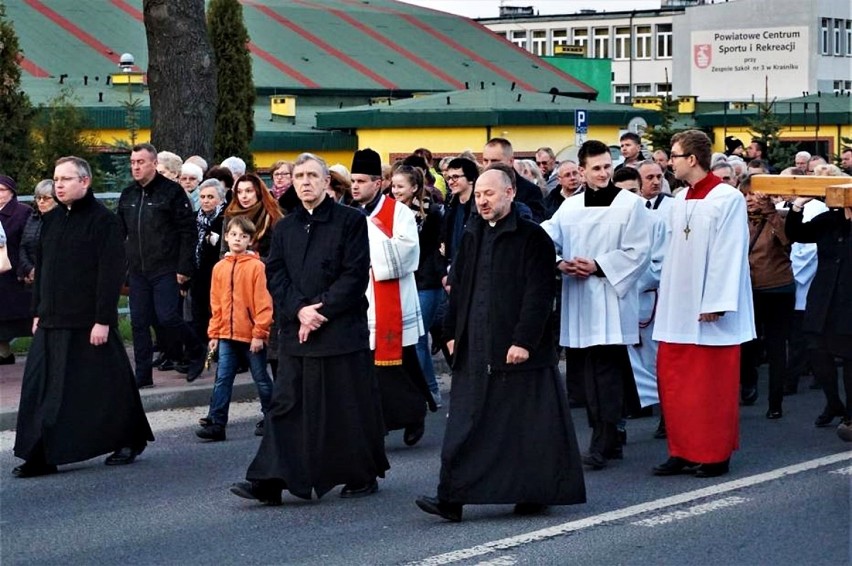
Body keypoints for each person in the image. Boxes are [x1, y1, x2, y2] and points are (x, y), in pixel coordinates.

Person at [415, 169, 586, 523]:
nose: (482, 201)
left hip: (517, 351)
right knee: (465, 425)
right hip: (474, 348)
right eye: (478, 195)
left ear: (509, 193)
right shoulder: (472, 233)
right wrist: (449, 331)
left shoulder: (532, 237)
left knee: (524, 427)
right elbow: (459, 288)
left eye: (489, 194)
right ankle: (452, 498)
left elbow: (539, 294)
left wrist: (523, 340)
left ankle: (533, 492)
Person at [230, 153, 388, 505]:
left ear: (326, 181)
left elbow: (354, 273)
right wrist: (300, 310)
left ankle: (360, 475)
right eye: (299, 175)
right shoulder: (285, 226)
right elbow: (277, 275)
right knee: (286, 406)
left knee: (345, 408)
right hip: (296, 333)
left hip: (340, 332)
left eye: (311, 175)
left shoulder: (350, 221)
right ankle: (269, 480)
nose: (304, 182)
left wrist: (320, 311)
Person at [13, 156, 153, 478]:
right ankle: (40, 453)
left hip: (88, 322)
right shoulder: (51, 221)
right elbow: (42, 270)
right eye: (56, 179)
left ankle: (130, 438)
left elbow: (109, 274)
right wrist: (36, 311)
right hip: (51, 320)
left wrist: (104, 320)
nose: (58, 185)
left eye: (66, 179)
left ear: (85, 182)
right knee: (40, 389)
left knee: (110, 387)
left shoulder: (103, 222)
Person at [541, 140, 653, 470]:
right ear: (582, 171)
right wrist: (560, 262)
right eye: (597, 168)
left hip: (612, 297)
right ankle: (607, 434)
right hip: (579, 299)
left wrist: (598, 265)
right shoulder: (570, 208)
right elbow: (546, 238)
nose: (604, 173)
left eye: (607, 167)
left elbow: (639, 251)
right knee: (586, 375)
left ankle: (604, 439)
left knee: (607, 373)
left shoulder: (631, 205)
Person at [652, 130, 755, 479]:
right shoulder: (679, 198)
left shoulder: (727, 198)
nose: (670, 161)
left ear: (692, 160)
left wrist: (717, 301)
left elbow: (730, 253)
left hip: (710, 312)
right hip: (677, 308)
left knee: (710, 388)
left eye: (675, 155)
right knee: (676, 381)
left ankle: (713, 453)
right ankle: (681, 449)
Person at [350, 148, 435, 446]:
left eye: (361, 180)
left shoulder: (397, 211)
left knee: (400, 366)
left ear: (378, 182)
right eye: (352, 180)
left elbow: (408, 251)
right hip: (361, 302)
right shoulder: (349, 214)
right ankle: (379, 422)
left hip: (392, 300)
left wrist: (365, 252)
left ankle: (414, 414)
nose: (355, 186)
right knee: (368, 369)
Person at [117, 143, 205, 387]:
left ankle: (197, 349)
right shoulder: (128, 195)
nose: (135, 167)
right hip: (137, 270)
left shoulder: (172, 192)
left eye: (140, 162)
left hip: (166, 267)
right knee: (139, 322)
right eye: (133, 162)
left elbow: (188, 232)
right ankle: (143, 376)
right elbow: (118, 232)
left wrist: (184, 268)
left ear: (154, 164)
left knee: (167, 317)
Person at [196, 216, 274, 441]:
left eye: (243, 236)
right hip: (227, 334)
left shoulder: (257, 267)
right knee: (222, 378)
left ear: (250, 240)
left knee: (260, 378)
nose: (237, 239)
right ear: (227, 237)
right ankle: (216, 422)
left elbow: (263, 302)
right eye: (233, 235)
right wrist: (214, 333)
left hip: (251, 335)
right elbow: (216, 303)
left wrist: (260, 333)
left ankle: (272, 417)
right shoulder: (219, 267)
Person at [786, 189, 852, 431]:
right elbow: (797, 234)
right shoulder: (829, 219)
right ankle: (833, 402)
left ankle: (851, 415)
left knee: (848, 356)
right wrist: (798, 206)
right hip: (823, 295)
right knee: (816, 349)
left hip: (848, 297)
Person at [737, 175, 794, 419]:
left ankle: (775, 400)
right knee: (747, 344)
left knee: (776, 346)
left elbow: (788, 242)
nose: (750, 200)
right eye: (746, 194)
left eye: (755, 194)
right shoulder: (737, 220)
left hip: (778, 288)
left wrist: (771, 213)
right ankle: (748, 382)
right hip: (748, 290)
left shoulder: (779, 218)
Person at [391, 165, 446, 408]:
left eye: (400, 187)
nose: (395, 191)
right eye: (393, 186)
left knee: (418, 338)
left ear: (414, 188)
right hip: (402, 280)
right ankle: (418, 390)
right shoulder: (390, 212)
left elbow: (435, 249)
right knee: (408, 338)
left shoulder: (431, 213)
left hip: (426, 281)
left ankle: (431, 390)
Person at [0, 174, 34, 365]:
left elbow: (27, 243)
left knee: (21, 315)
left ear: (11, 192)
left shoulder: (23, 212)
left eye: (1, 190)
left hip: (14, 274)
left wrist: (25, 269)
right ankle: (3, 353)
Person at [189, 179, 226, 355]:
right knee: (199, 314)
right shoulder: (194, 218)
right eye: (202, 196)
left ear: (221, 199)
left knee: (218, 313)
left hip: (218, 274)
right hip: (198, 274)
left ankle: (221, 351)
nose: (206, 200)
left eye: (211, 197)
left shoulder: (224, 218)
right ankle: (201, 353)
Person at [481, 138, 545, 222]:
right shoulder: (479, 189)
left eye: (494, 161)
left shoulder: (530, 191)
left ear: (510, 161)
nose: (489, 166)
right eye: (485, 161)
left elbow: (534, 225)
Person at [223, 173, 283, 260]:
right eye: (239, 192)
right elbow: (223, 252)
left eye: (249, 191)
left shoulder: (272, 216)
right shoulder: (230, 215)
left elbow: (278, 256)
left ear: (258, 192)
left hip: (263, 270)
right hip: (234, 269)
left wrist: (252, 259)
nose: (243, 196)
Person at [18, 180, 56, 286]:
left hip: (52, 278)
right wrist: (29, 270)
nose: (41, 201)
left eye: (46, 198)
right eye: (38, 198)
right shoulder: (32, 218)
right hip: (31, 279)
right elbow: (23, 246)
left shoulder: (62, 221)